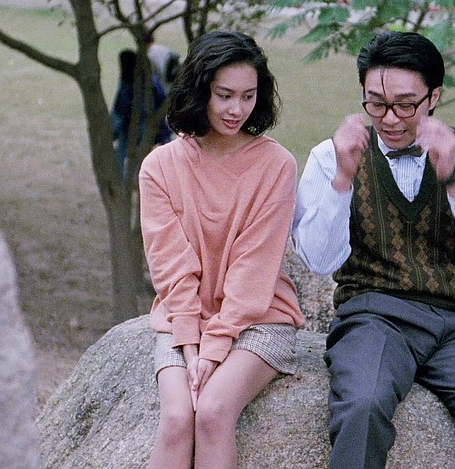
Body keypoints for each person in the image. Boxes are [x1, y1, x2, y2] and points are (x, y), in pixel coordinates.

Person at [291, 31, 455, 468]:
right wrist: (343, 179)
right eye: (376, 104)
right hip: (372, 316)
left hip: (452, 326)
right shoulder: (332, 155)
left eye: (405, 105)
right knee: (363, 407)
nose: (389, 119)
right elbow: (318, 259)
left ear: (434, 96)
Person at [139, 31, 305, 469]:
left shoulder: (277, 165)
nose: (237, 109)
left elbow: (253, 270)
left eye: (248, 96)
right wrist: (193, 347)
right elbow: (170, 266)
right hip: (183, 318)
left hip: (259, 319)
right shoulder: (159, 167)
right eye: (224, 95)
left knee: (212, 412)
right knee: (178, 417)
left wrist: (214, 349)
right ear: (200, 91)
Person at [111, 49, 170, 181]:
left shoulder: (128, 85)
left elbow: (119, 110)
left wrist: (111, 134)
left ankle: (123, 181)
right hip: (152, 129)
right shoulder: (151, 81)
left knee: (121, 151)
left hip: (137, 129)